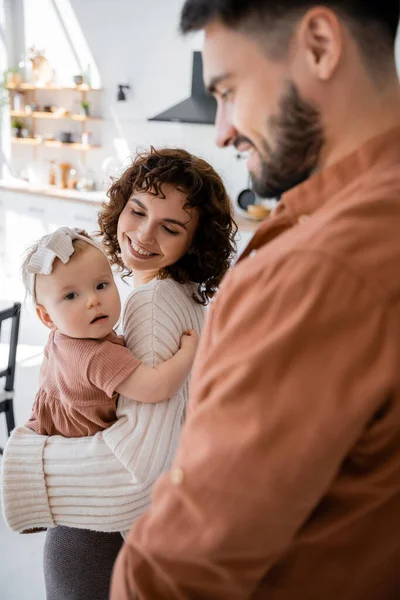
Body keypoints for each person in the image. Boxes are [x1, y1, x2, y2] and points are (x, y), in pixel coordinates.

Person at [109, 2, 400, 599]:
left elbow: (178, 575)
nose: (222, 130)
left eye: (229, 89)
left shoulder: (321, 269)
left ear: (319, 44)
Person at [1, 147, 237, 600]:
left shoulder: (149, 305)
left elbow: (136, 465)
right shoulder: (182, 295)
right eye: (138, 209)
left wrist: (23, 462)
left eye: (170, 227)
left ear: (195, 240)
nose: (143, 235)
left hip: (93, 529)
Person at [22, 226, 198, 437]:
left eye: (101, 285)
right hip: (75, 448)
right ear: (47, 317)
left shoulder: (57, 338)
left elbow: (44, 377)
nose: (93, 300)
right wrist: (188, 352)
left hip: (44, 428)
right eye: (70, 296)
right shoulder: (99, 357)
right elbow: (157, 386)